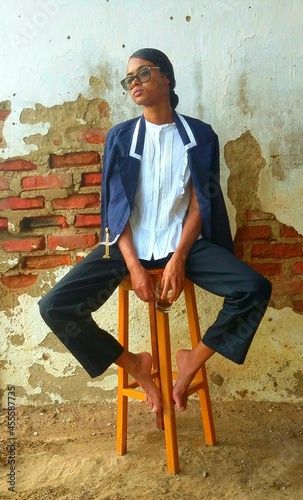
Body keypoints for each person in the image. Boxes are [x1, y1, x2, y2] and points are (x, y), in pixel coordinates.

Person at [39, 48, 272, 413]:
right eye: (129, 78)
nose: (135, 83)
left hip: (183, 242)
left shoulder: (200, 135)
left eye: (143, 73)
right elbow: (117, 209)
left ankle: (191, 360)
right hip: (125, 244)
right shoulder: (122, 137)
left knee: (254, 288)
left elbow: (201, 203)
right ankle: (134, 364)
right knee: (55, 306)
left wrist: (179, 257)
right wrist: (133, 266)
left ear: (166, 78)